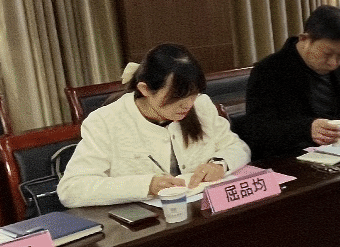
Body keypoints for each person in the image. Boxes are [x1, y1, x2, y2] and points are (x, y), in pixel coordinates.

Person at [59, 44, 251, 208]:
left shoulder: (201, 105)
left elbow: (238, 147)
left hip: (201, 211)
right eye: (177, 96)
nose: (187, 104)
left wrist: (220, 164)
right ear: (145, 89)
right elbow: (72, 189)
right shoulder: (105, 122)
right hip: (144, 224)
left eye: (193, 94)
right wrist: (146, 185)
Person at [237, 5, 340, 160]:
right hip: (292, 158)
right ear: (305, 39)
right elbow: (257, 129)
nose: (333, 63)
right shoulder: (270, 70)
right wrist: (306, 128)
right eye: (327, 54)